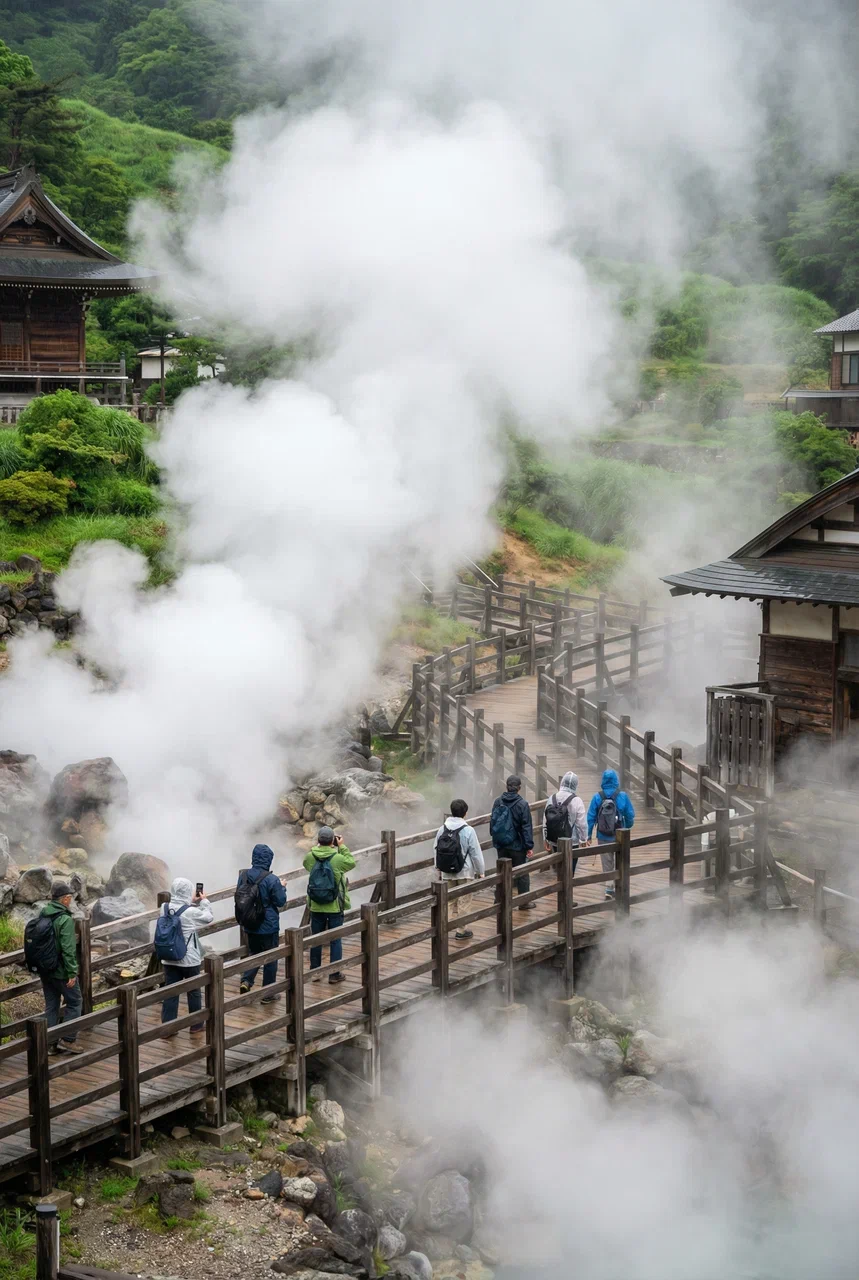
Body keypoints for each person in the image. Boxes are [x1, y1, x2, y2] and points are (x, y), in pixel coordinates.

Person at [159, 878, 213, 1035]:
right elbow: (208, 917)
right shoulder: (190, 912)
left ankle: (168, 1028)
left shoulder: (164, 907)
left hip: (169, 956)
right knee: (193, 991)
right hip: (188, 959)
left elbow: (178, 910)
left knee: (171, 992)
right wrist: (204, 901)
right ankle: (196, 1025)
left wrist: (189, 902)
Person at [303, 827, 356, 983]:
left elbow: (307, 865)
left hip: (316, 905)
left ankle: (315, 972)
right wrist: (342, 846)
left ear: (318, 840)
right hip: (334, 906)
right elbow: (351, 862)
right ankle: (334, 974)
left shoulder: (310, 856)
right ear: (332, 840)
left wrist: (317, 848)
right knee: (335, 939)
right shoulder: (338, 858)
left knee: (316, 939)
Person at [37, 882, 83, 1055]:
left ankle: (50, 1044)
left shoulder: (43, 914)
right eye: (69, 898)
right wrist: (72, 972)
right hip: (61, 971)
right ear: (64, 899)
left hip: (45, 970)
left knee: (51, 1006)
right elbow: (68, 949)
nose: (70, 901)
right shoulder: (65, 919)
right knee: (75, 1002)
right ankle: (68, 1039)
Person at [238, 844, 287, 1002]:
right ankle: (268, 994)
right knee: (270, 958)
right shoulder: (271, 879)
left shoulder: (243, 876)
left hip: (250, 922)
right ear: (268, 860)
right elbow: (280, 901)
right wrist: (282, 887)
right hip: (268, 925)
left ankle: (246, 981)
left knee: (254, 953)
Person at [434, 799, 486, 941]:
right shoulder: (468, 830)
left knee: (449, 901)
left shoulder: (442, 829)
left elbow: (436, 849)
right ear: (465, 813)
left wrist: (438, 868)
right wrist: (480, 871)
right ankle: (461, 931)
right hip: (465, 871)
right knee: (464, 901)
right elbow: (475, 853)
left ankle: (443, 929)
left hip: (446, 871)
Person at [586, 768, 635, 899]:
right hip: (620, 835)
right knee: (621, 860)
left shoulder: (597, 797)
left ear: (603, 780)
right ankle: (622, 887)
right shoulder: (622, 796)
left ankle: (609, 889)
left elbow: (590, 818)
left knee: (607, 862)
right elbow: (630, 815)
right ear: (616, 780)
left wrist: (588, 835)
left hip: (603, 835)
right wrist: (627, 827)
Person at [489, 775, 535, 910]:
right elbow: (526, 827)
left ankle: (499, 900)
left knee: (502, 873)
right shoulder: (523, 804)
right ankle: (523, 902)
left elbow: (493, 822)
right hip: (517, 845)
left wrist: (495, 838)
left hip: (501, 844)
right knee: (522, 872)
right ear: (519, 788)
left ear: (507, 786)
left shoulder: (498, 802)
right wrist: (529, 846)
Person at [542, 771, 588, 878]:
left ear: (562, 782)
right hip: (572, 841)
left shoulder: (552, 798)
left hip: (555, 840)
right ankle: (568, 885)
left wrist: (545, 838)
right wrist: (583, 839)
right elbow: (581, 823)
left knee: (559, 868)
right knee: (570, 871)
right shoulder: (577, 800)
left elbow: (545, 820)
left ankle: (560, 884)